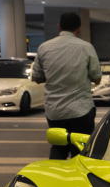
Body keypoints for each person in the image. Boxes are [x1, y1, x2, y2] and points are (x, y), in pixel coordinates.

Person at [32, 12, 101, 160]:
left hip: (55, 111)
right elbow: (96, 77)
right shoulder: (86, 47)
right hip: (81, 110)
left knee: (58, 147)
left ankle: (57, 180)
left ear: (59, 26)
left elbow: (37, 77)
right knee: (81, 150)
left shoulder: (44, 48)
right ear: (79, 28)